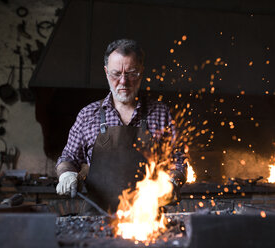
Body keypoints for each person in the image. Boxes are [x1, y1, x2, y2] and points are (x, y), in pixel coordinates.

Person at [55, 39, 186, 212]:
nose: (123, 82)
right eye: (116, 74)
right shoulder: (88, 115)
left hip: (147, 222)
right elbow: (68, 158)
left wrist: (172, 181)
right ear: (106, 72)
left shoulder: (160, 113)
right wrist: (66, 174)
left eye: (131, 73)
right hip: (97, 218)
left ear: (141, 72)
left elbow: (178, 161)